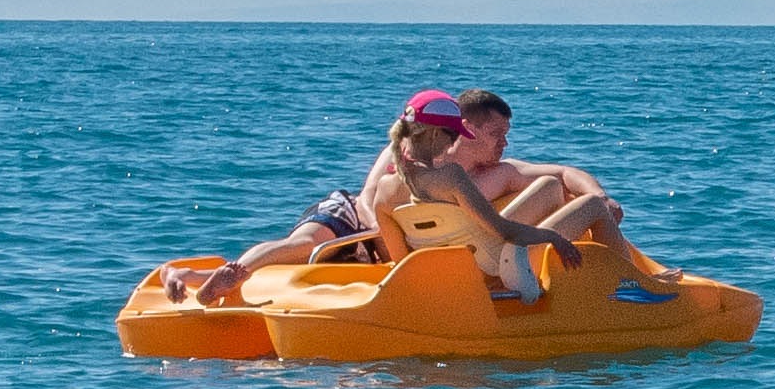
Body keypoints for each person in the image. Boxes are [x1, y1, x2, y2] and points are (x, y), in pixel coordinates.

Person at [197, 88, 633, 300]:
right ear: (462, 133)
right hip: (413, 238)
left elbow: (394, 238)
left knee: (302, 245)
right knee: (567, 198)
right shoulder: (460, 179)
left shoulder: (397, 176)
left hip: (410, 251)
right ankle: (634, 285)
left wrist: (403, 276)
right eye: (497, 133)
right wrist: (554, 237)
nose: (505, 142)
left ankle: (219, 273)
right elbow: (502, 226)